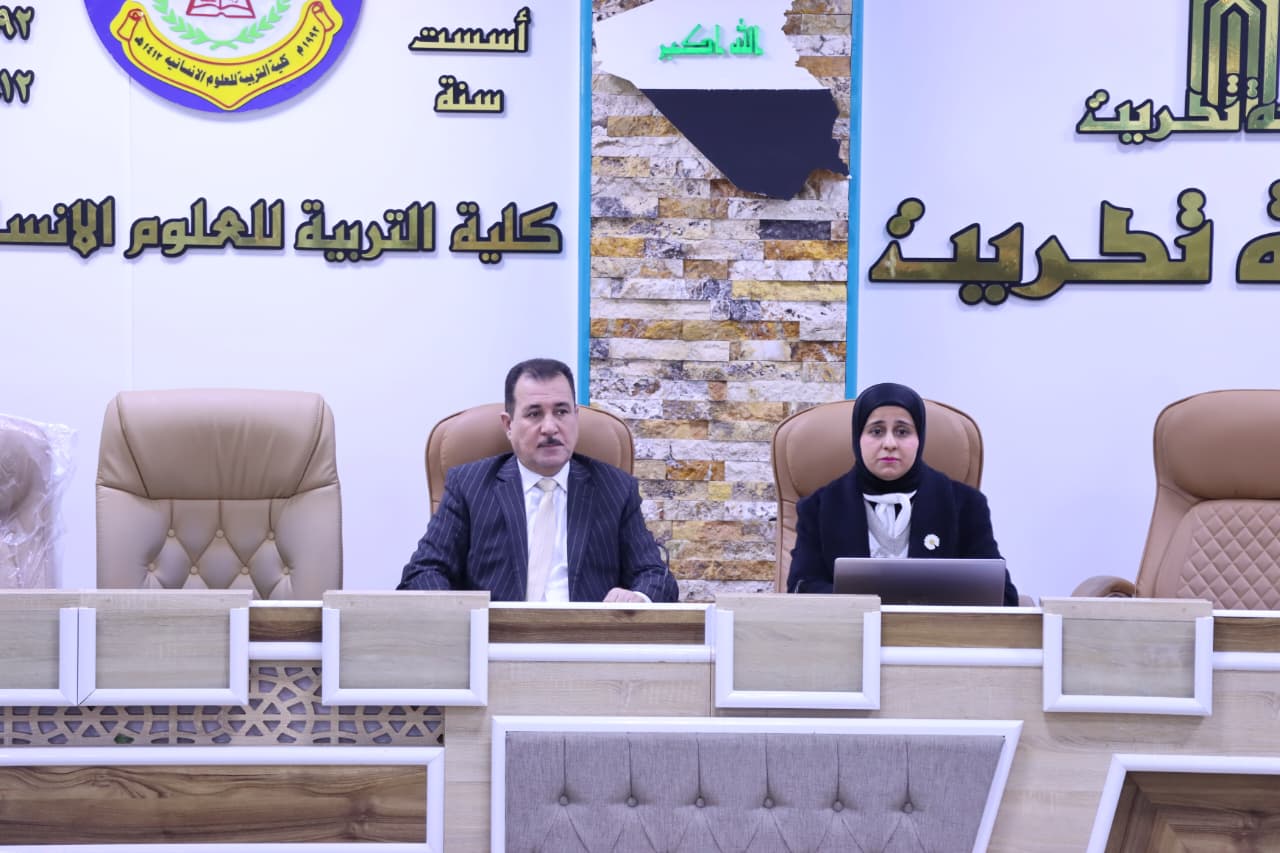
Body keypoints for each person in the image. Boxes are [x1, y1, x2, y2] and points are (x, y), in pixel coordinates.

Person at [398, 358, 679, 603]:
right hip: (495, 640)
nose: (550, 427)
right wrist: (461, 617)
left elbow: (655, 576)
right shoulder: (469, 486)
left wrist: (637, 597)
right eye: (534, 414)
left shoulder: (615, 488)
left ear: (576, 418)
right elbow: (422, 572)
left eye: (561, 412)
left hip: (585, 640)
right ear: (508, 425)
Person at [786, 382, 1019, 605]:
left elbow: (1003, 597)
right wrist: (869, 605)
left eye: (902, 431)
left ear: (920, 439)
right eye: (876, 431)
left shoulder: (965, 505)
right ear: (858, 438)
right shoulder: (819, 508)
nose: (890, 443)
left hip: (935, 632)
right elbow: (801, 590)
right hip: (850, 630)